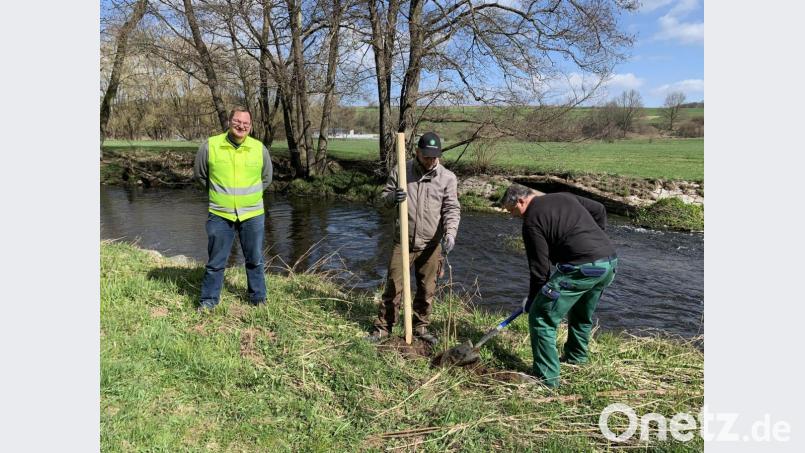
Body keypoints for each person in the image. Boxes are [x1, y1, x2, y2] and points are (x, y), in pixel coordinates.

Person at [501, 184, 617, 387]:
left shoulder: (531, 222)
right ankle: (576, 358)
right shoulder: (563, 196)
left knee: (541, 317)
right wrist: (597, 239)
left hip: (581, 269)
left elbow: (539, 269)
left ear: (520, 200)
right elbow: (599, 209)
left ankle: (547, 380)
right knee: (581, 313)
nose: (513, 216)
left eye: (512, 210)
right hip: (608, 263)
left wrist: (534, 299)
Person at [366, 132, 461, 345]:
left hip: (431, 244)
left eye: (434, 157)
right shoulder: (401, 170)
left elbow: (451, 209)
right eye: (426, 156)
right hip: (403, 241)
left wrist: (451, 233)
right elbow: (382, 201)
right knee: (393, 286)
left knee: (427, 289)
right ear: (417, 152)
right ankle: (383, 327)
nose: (430, 161)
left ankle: (420, 327)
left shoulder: (447, 178)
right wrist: (392, 198)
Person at [193, 107, 273, 312]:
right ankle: (209, 301)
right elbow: (201, 175)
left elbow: (266, 178)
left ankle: (258, 299)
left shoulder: (259, 148)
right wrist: (222, 195)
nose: (241, 126)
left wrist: (248, 198)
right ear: (229, 122)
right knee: (216, 261)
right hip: (220, 213)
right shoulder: (210, 145)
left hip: (253, 214)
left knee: (254, 259)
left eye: (246, 123)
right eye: (237, 121)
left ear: (251, 126)